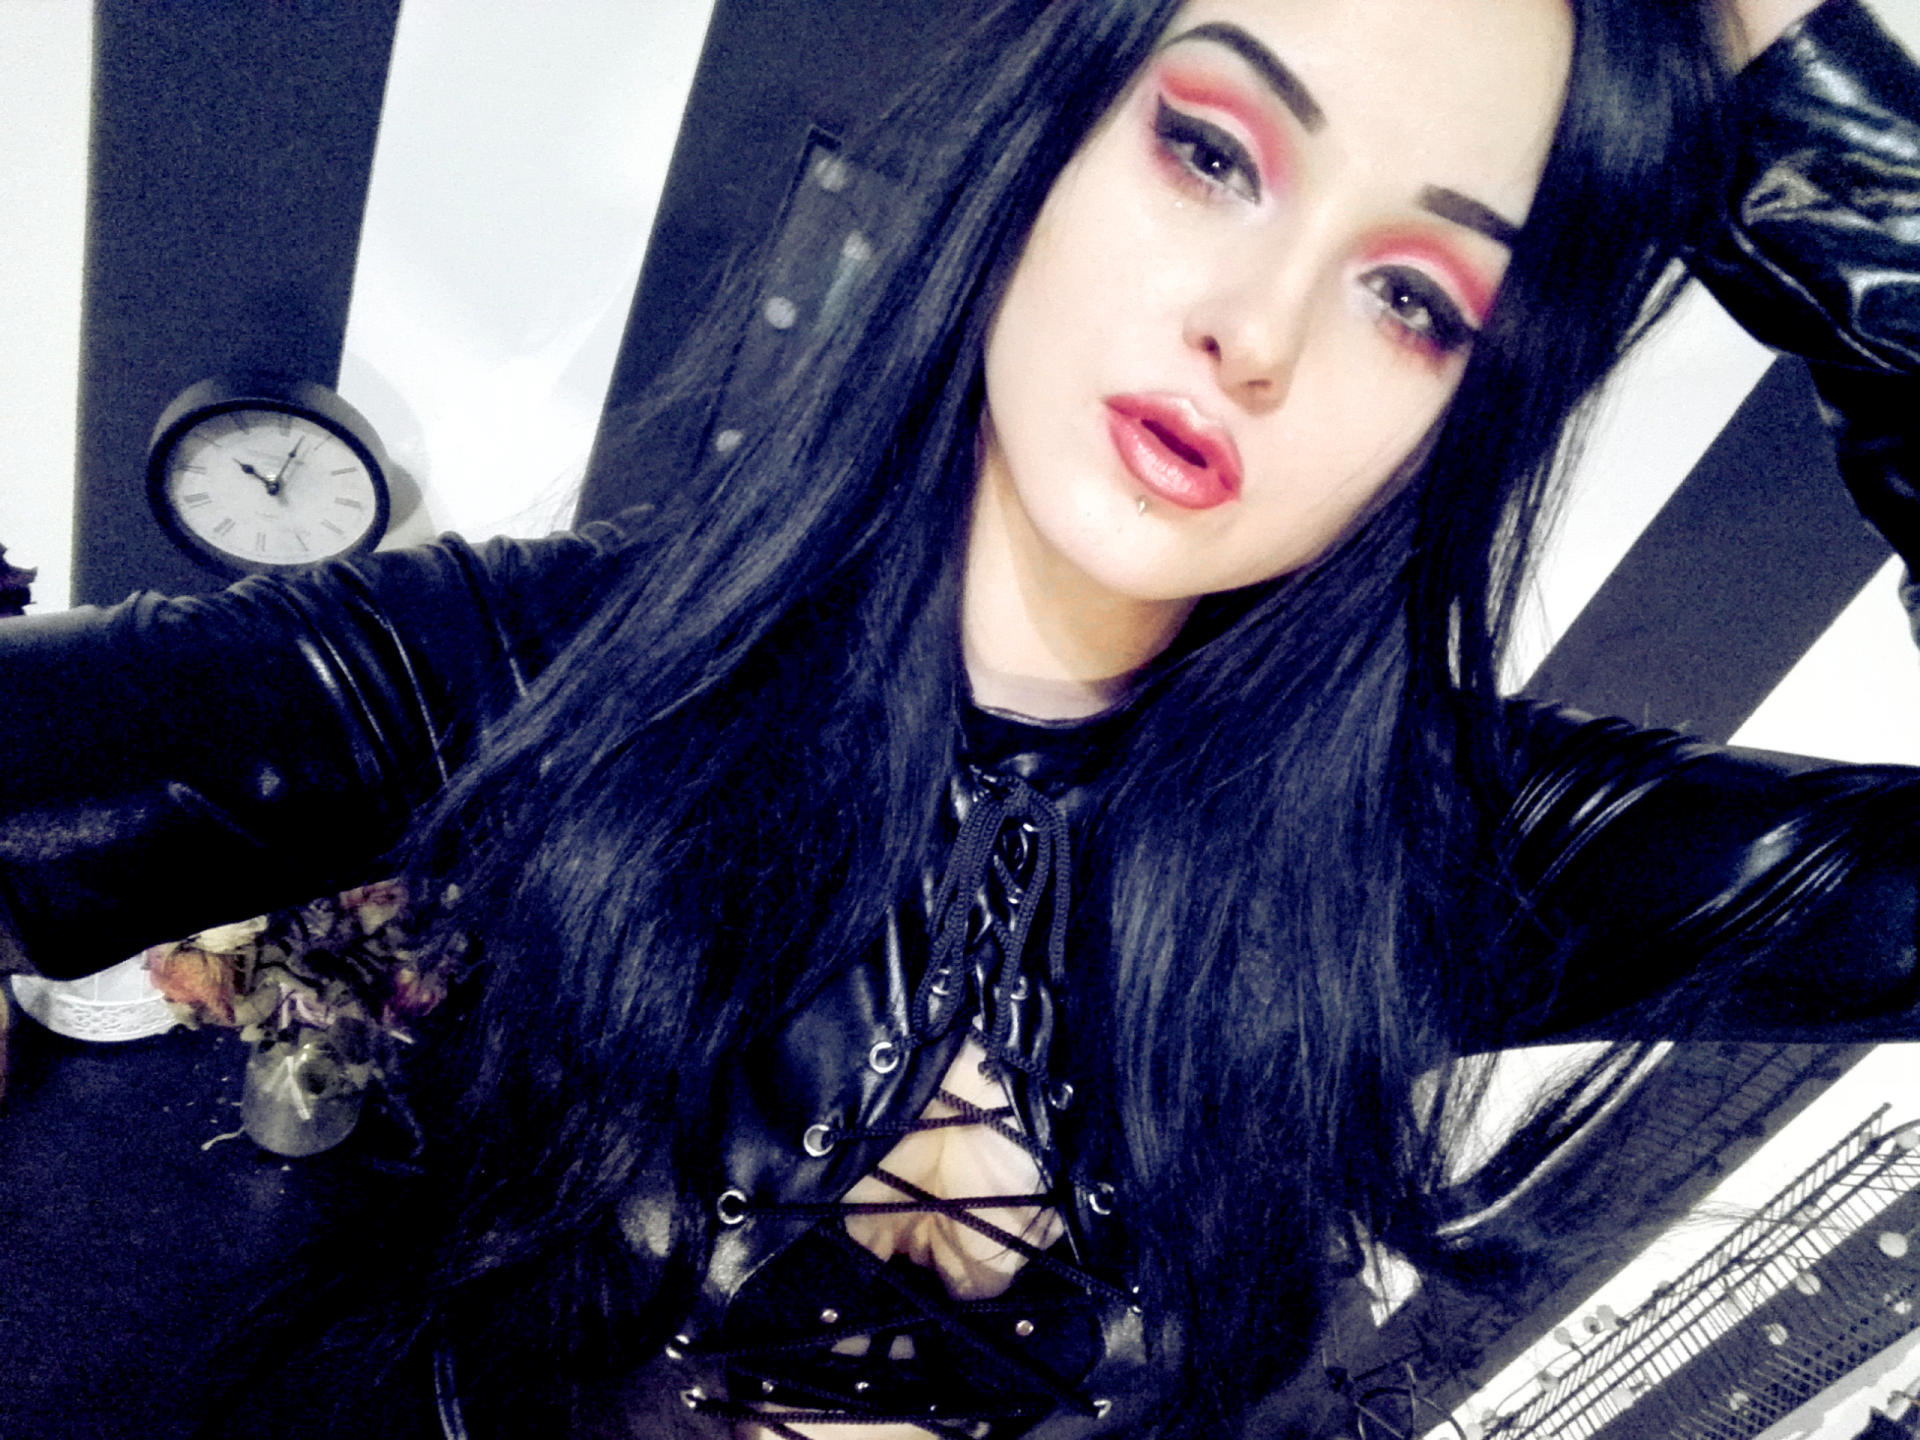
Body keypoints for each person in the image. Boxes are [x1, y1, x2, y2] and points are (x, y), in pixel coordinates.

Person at [3, 0, 1920, 1435]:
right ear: (1051, 140)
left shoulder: (1434, 855)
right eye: (1214, 154)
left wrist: (1791, 77)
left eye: (1416, 299)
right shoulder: (545, 660)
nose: (1258, 331)